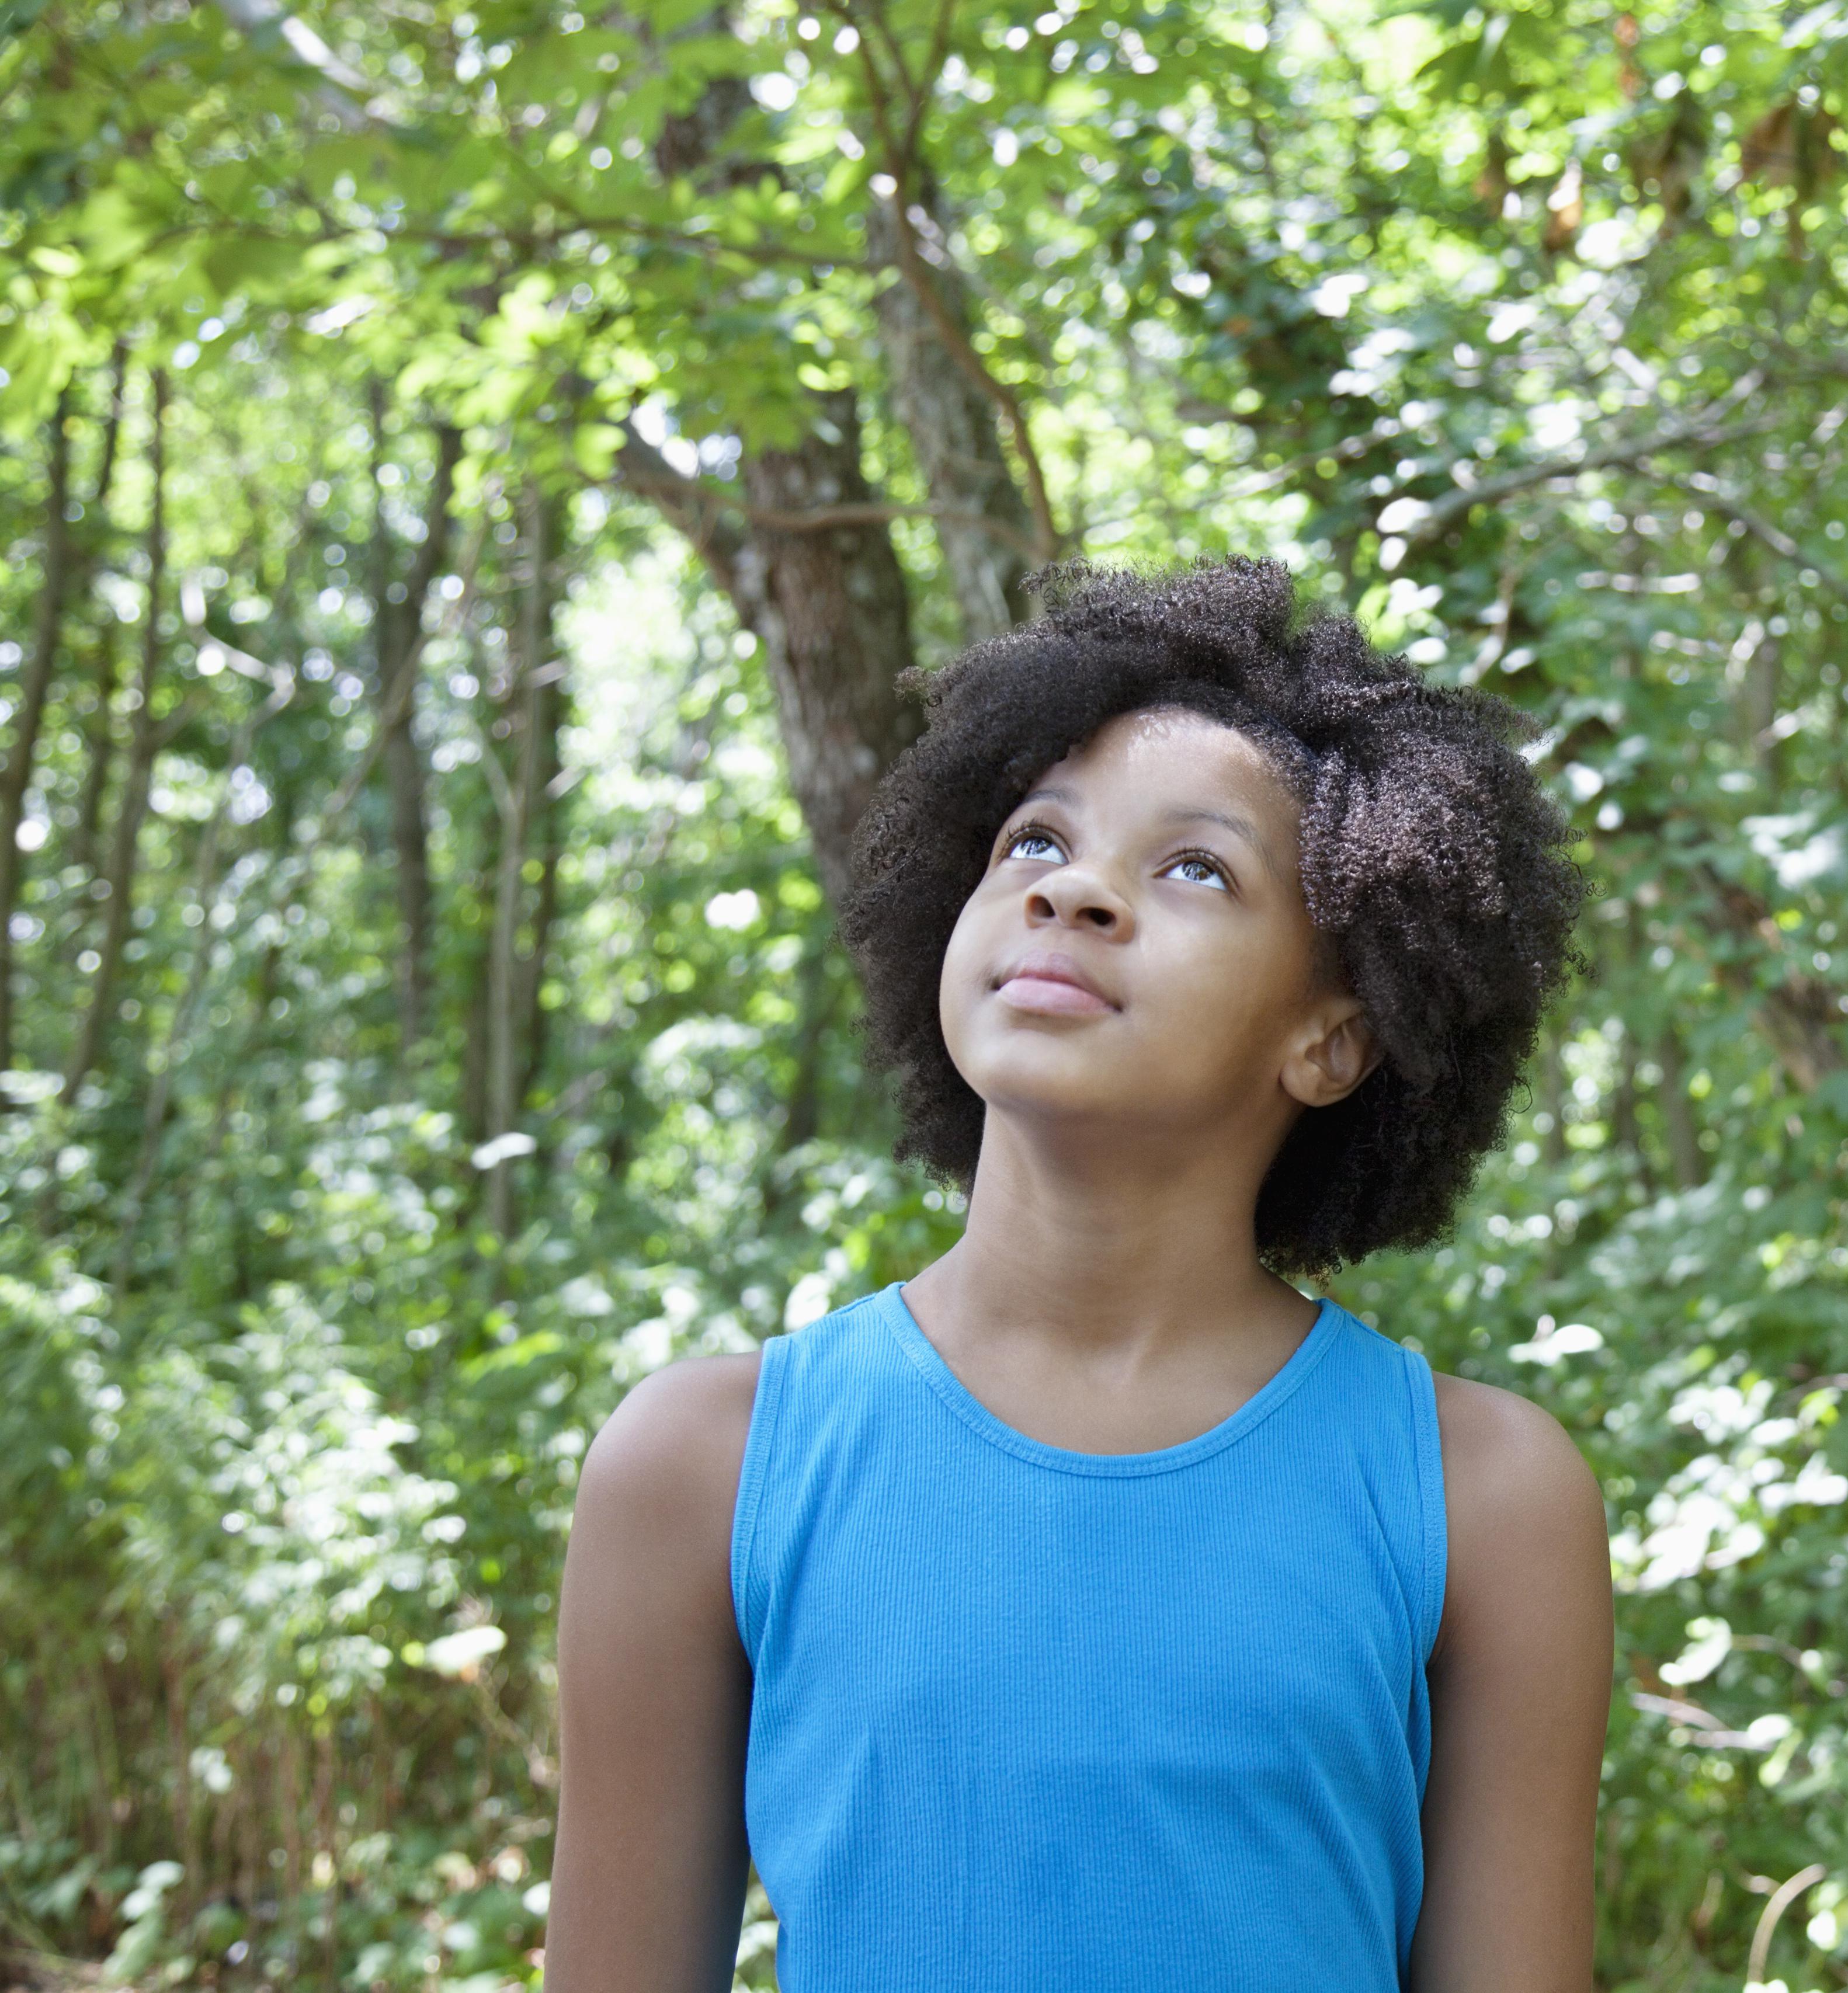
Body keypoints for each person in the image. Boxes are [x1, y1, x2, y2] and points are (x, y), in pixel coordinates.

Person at [541, 562, 1612, 1992]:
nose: (1078, 894)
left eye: (1195, 869)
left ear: (1334, 1039)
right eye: (1034, 841)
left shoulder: (1484, 1498)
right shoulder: (701, 1467)